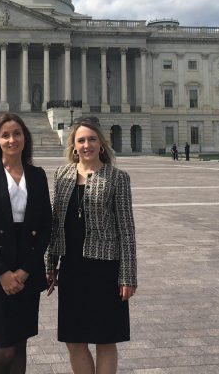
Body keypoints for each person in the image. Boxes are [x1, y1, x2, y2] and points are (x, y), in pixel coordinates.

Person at [46, 116, 137, 374]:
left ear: (101, 144)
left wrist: (128, 276)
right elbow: (55, 223)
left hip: (105, 269)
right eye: (81, 140)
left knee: (105, 340)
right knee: (74, 340)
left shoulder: (117, 178)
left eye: (92, 139)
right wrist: (50, 264)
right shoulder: (62, 175)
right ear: (74, 146)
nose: (87, 145)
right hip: (72, 268)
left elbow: (126, 230)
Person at [0, 113, 52, 374]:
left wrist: (26, 270)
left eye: (17, 133)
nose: (12, 140)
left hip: (27, 266)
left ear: (25, 138)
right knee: (4, 349)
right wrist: (2, 273)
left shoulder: (37, 175)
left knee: (20, 345)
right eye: (5, 135)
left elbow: (46, 225)